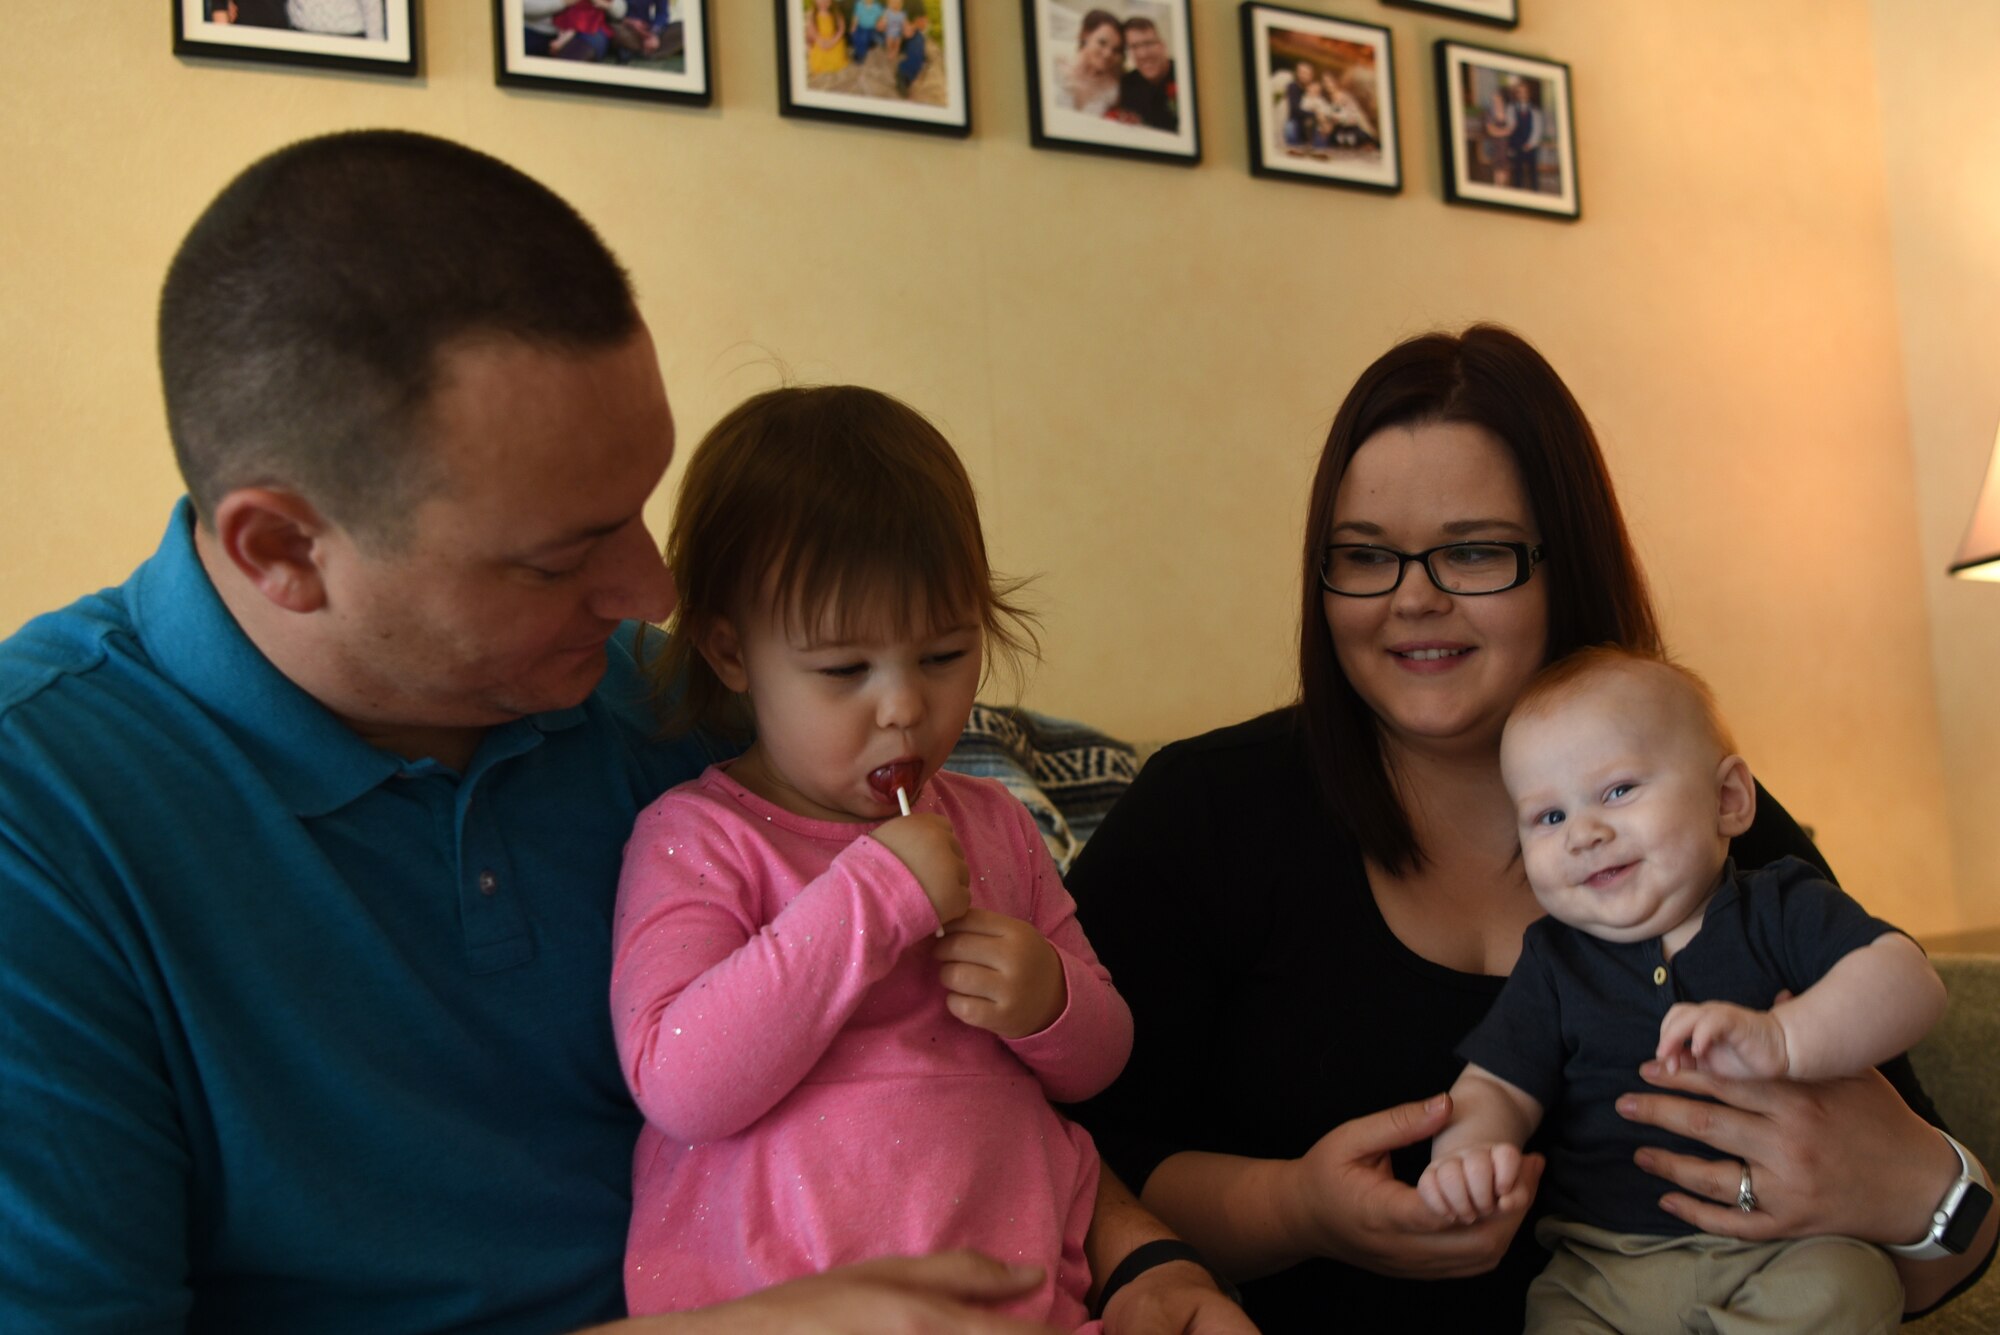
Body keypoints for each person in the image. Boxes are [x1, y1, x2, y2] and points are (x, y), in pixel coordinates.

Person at [0, 129, 1253, 1335]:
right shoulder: (43, 824)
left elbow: (935, 1096)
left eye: (636, 508)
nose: (650, 594)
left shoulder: (645, 700)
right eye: (561, 556)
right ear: (283, 551)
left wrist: (1137, 1255)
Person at [1062, 323, 1998, 1333]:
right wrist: (1298, 1210)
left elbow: (1945, 1239)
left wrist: (1919, 1190)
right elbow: (1062, 1161)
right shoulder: (1205, 814)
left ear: (1565, 562)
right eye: (1364, 556)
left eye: (1471, 552)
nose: (1412, 598)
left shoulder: (1698, 822)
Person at [614, 385, 1134, 1325]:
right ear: (732, 653)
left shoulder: (999, 826)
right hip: (776, 1302)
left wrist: (1048, 998)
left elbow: (1101, 1059)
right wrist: (874, 897)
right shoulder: (700, 837)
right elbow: (680, 1083)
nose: (903, 706)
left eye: (943, 655)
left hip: (1018, 1299)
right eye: (845, 670)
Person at [1421, 646, 1949, 1332]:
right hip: (1604, 1266)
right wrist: (1466, 1154)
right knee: (1550, 1314)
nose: (1584, 832)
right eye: (1548, 817)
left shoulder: (1782, 907)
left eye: (1617, 790)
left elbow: (1910, 982)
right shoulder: (1554, 961)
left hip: (1785, 1248)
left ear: (1728, 799)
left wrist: (1788, 1038)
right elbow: (1495, 1085)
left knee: (1856, 1285)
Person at [1109, 17, 1177, 132]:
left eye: (1148, 43)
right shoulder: (1127, 85)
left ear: (1162, 45)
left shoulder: (1181, 75)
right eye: (1134, 47)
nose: (1143, 54)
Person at [1055, 9, 1124, 118]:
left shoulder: (1112, 90)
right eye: (1102, 42)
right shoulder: (1055, 65)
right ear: (1085, 35)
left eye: (1115, 50)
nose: (1108, 54)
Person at [1507, 79, 1543, 190]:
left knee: (1532, 172)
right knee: (1517, 173)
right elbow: (1510, 127)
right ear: (1517, 94)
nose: (1522, 94)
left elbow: (1538, 129)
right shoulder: (1511, 109)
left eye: (1524, 92)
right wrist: (1512, 146)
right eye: (1519, 92)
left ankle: (1535, 192)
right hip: (1517, 145)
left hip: (1530, 146)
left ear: (1528, 93)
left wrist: (1530, 144)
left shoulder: (1535, 111)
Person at [1480, 83, 1517, 186]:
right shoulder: (1489, 113)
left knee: (1506, 173)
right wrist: (1504, 132)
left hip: (1507, 148)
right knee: (1497, 172)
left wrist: (1503, 132)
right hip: (1495, 148)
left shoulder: (1509, 112)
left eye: (1498, 99)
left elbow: (1512, 129)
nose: (1495, 101)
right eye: (1494, 99)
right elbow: (1491, 131)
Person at [805, 0, 848, 77]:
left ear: (831, 2)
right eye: (820, 1)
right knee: (817, 57)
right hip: (819, 39)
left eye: (827, 1)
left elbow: (841, 28)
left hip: (833, 39)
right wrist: (820, 41)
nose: (823, 3)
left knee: (837, 55)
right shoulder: (811, 14)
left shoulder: (835, 13)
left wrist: (833, 41)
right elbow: (812, 30)